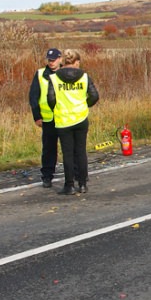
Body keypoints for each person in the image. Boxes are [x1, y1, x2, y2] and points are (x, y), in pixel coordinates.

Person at [47, 49, 99, 195]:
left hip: (63, 120)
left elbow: (50, 99)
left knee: (67, 153)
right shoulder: (85, 77)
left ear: (64, 62)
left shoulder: (54, 78)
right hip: (81, 118)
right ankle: (82, 184)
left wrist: (58, 108)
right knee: (81, 152)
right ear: (76, 62)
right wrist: (84, 104)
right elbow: (94, 96)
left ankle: (69, 185)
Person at [28, 48, 62, 187]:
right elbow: (33, 96)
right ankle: (47, 176)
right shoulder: (41, 74)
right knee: (48, 149)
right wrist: (37, 116)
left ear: (60, 59)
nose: (51, 62)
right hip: (48, 119)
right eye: (49, 60)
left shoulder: (66, 73)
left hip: (65, 117)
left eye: (54, 60)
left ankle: (76, 175)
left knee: (69, 148)